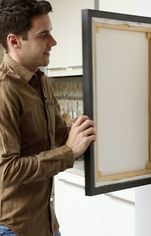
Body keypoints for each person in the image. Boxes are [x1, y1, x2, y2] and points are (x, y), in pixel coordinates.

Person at [0, 0, 96, 235]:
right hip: (14, 228)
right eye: (44, 35)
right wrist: (69, 152)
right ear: (14, 41)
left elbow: (61, 135)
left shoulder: (40, 80)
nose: (53, 42)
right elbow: (6, 171)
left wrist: (84, 130)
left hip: (46, 223)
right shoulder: (4, 91)